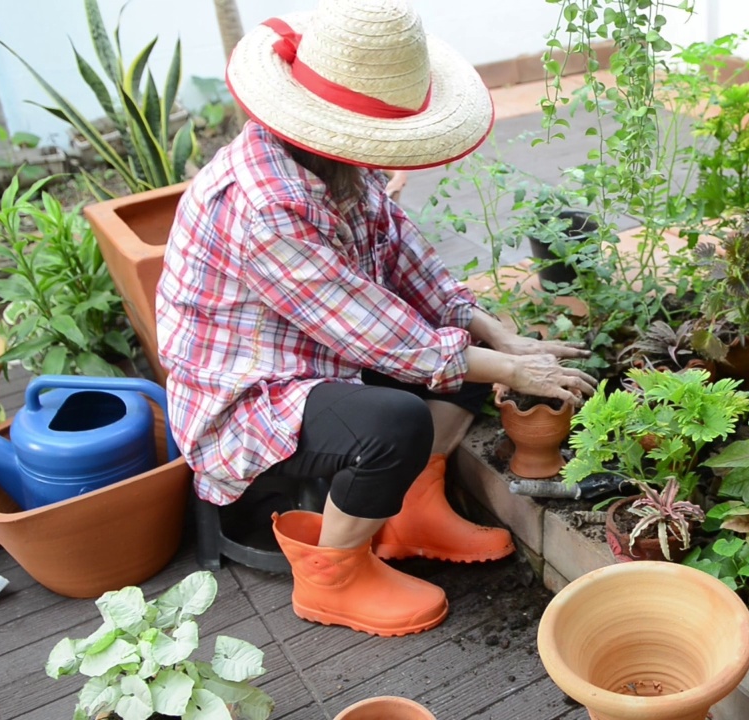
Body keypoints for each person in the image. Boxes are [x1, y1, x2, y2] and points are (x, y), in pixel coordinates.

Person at [155, 0, 596, 638]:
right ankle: (332, 576)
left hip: (321, 355)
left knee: (463, 352)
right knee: (395, 422)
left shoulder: (337, 169)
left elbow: (411, 265)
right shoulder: (266, 204)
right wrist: (508, 366)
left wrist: (496, 334)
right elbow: (376, 329)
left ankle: (414, 511)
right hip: (247, 397)